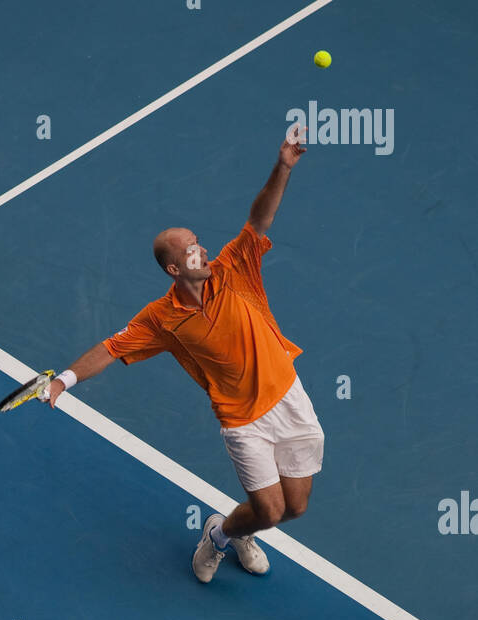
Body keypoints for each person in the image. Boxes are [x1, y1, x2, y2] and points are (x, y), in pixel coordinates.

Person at [43, 127, 324, 583]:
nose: (204, 250)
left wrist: (283, 167)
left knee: (296, 507)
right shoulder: (161, 319)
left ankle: (240, 529)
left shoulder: (235, 268)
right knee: (269, 511)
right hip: (242, 420)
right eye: (193, 250)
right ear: (175, 269)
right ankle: (219, 535)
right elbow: (111, 348)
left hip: (288, 397)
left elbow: (259, 221)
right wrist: (63, 381)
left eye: (199, 243)